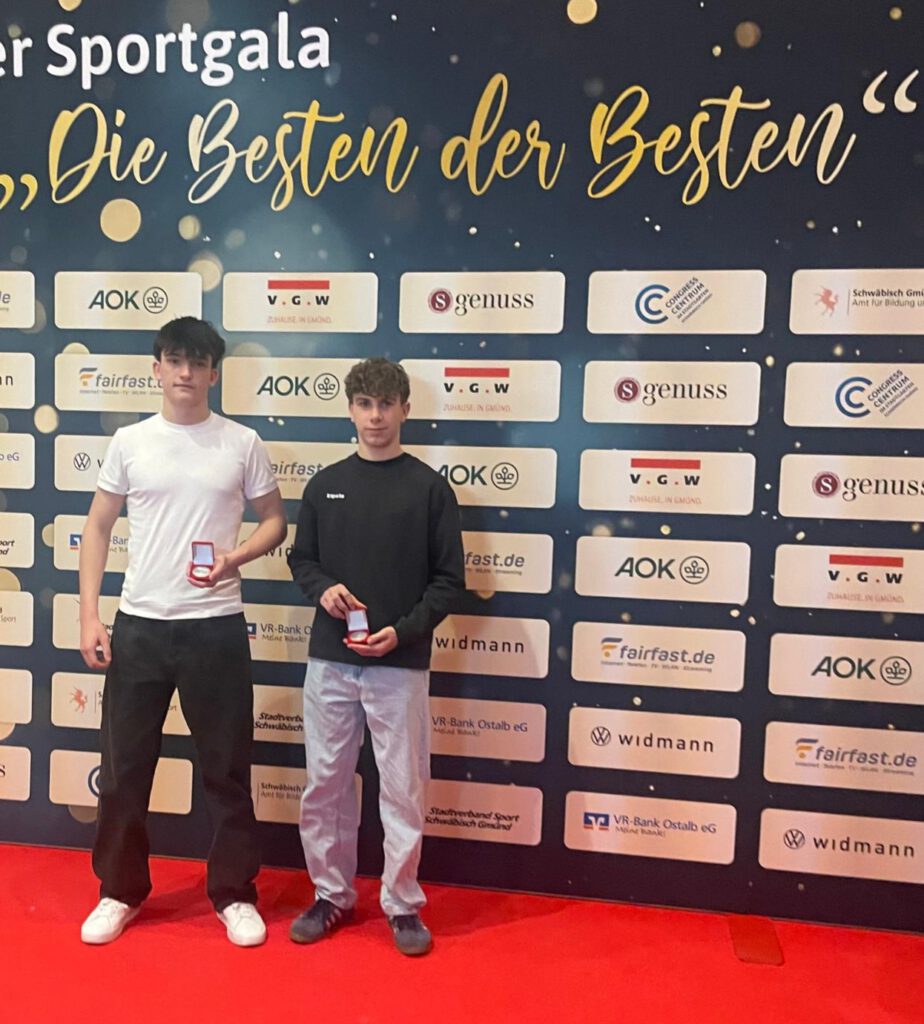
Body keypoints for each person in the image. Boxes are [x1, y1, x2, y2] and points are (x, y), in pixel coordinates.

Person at [77, 317, 287, 947]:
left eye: (198, 363)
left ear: (214, 373)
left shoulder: (242, 442)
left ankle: (234, 893)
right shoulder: (131, 442)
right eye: (175, 360)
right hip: (140, 626)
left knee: (227, 769)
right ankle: (119, 890)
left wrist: (234, 558)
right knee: (124, 770)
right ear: (157, 369)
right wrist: (89, 614)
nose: (186, 373)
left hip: (215, 627)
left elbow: (274, 521)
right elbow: (97, 526)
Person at [287, 357, 464, 957]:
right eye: (365, 404)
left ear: (405, 410)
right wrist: (322, 589)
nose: (376, 416)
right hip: (330, 661)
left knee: (404, 788)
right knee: (325, 785)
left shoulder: (430, 489)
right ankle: (331, 895)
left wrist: (403, 633)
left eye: (386, 404)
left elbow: (448, 581)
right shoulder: (324, 484)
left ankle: (403, 903)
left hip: (400, 664)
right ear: (350, 410)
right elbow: (302, 559)